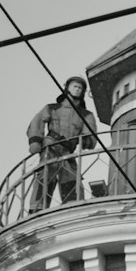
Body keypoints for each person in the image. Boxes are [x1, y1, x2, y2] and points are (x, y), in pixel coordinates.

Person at [24, 76, 99, 213]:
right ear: (67, 88)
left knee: (70, 178)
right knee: (46, 174)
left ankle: (73, 207)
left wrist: (87, 141)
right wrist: (35, 141)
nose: (77, 89)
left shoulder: (86, 115)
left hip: (68, 150)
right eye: (74, 86)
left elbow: (90, 134)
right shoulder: (52, 108)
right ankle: (37, 208)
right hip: (51, 146)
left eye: (80, 88)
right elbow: (37, 122)